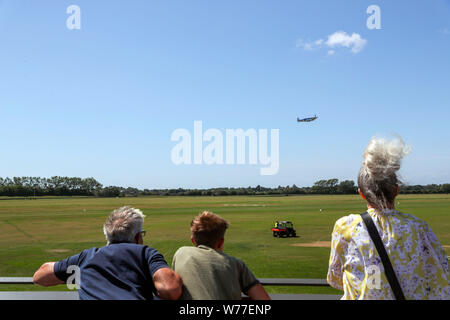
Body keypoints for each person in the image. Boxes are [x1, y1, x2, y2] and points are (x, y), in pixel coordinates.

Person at [327, 136, 450, 300]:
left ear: (361, 193)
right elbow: (441, 272)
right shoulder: (418, 226)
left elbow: (335, 278)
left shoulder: (345, 226)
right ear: (396, 190)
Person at [33, 206, 182, 300]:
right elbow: (170, 289)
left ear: (108, 236)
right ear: (138, 237)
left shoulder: (86, 257)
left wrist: (79, 275)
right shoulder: (146, 253)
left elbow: (39, 277)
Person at [172, 211, 270, 300]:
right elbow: (263, 298)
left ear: (193, 240)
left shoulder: (181, 253)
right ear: (221, 242)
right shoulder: (236, 264)